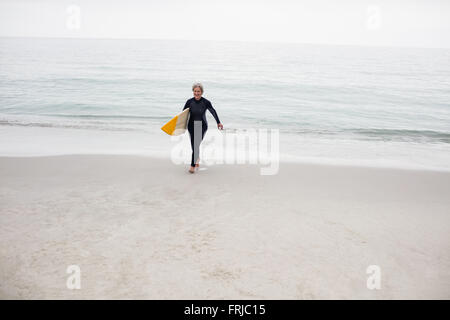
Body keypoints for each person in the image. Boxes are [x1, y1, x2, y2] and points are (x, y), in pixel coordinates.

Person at [183, 83, 223, 173]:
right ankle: (196, 158)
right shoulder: (189, 102)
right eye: (195, 91)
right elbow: (183, 114)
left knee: (196, 145)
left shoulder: (206, 102)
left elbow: (213, 111)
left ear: (202, 92)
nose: (197, 93)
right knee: (194, 145)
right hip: (191, 126)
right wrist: (179, 126)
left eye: (198, 91)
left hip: (202, 126)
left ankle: (192, 166)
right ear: (193, 91)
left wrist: (218, 122)